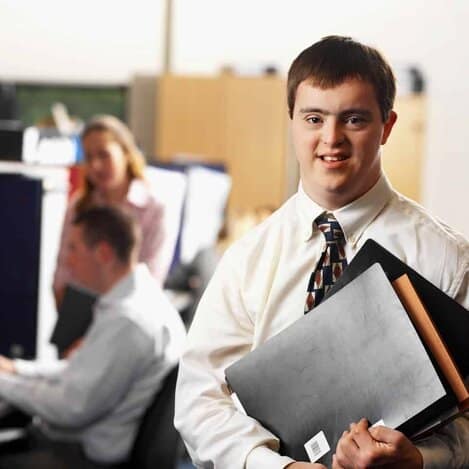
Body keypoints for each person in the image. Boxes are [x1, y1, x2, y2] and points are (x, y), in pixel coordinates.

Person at [174, 36, 469, 469]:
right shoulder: (248, 259)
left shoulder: (449, 258)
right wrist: (278, 467)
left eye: (354, 120)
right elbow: (199, 400)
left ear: (386, 126)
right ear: (292, 121)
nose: (331, 140)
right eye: (314, 118)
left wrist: (421, 461)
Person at [0, 206, 186, 467]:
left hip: (85, 456)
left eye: (74, 248)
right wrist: (15, 369)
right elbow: (80, 373)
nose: (68, 259)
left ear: (103, 254)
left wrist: (5, 384)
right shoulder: (142, 299)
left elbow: (71, 408)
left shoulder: (128, 320)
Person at [53, 115, 173, 309]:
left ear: (126, 153)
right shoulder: (79, 206)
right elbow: (63, 273)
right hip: (81, 314)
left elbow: (152, 278)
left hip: (130, 313)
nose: (95, 166)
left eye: (104, 155)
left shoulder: (154, 207)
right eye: (89, 157)